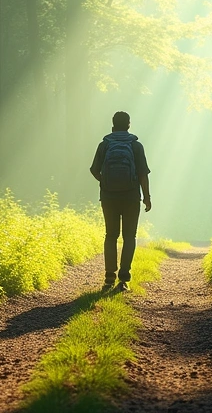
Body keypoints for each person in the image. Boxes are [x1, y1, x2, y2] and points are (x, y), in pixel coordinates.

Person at [90, 111, 151, 292]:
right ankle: (123, 279)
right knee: (129, 236)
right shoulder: (136, 146)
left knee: (111, 235)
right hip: (131, 196)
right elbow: (142, 174)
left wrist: (106, 181)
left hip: (109, 197)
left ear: (113, 125)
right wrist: (147, 197)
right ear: (129, 125)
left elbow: (94, 170)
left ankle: (109, 277)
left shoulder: (104, 145)